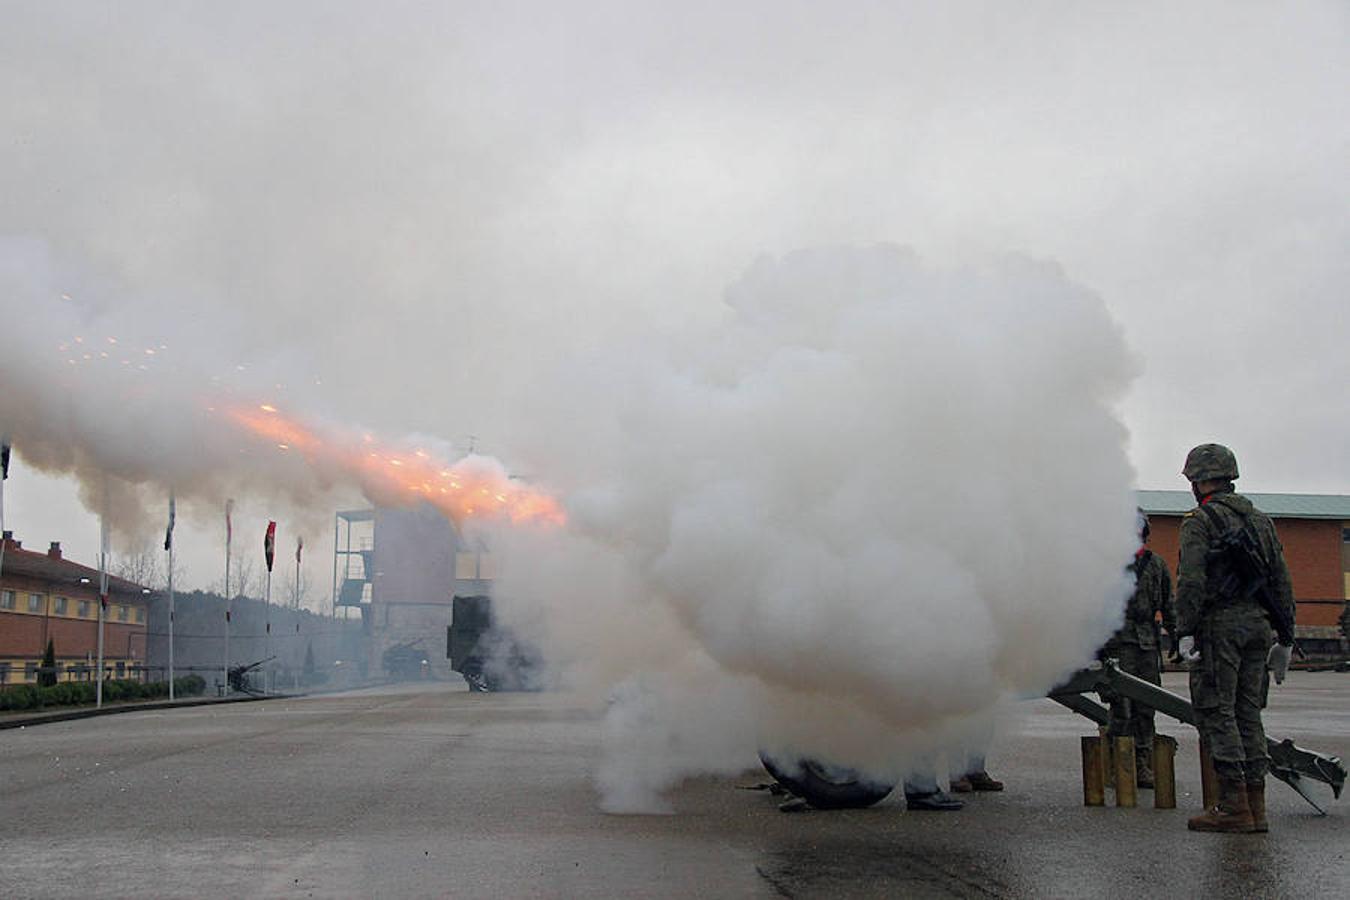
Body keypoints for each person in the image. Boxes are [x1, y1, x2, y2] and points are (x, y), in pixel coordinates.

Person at [1174, 443, 1295, 834]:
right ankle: (1256, 807)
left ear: (1197, 480)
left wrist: (1184, 630)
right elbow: (1281, 579)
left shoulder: (1200, 521)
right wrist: (1286, 637)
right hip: (1259, 625)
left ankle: (1233, 806)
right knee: (1248, 714)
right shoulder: (1261, 521)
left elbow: (1191, 580)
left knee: (1216, 711)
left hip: (1220, 627)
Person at [1098, 511, 1175, 788]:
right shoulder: (1111, 567)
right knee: (1121, 708)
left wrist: (1178, 638)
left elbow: (1168, 605)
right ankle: (1118, 763)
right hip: (1118, 644)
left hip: (1146, 644)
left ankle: (1142, 763)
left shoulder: (1156, 566)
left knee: (1146, 707)